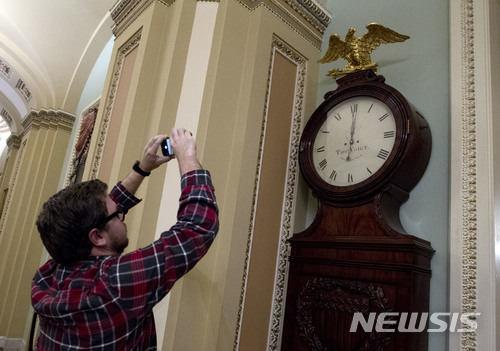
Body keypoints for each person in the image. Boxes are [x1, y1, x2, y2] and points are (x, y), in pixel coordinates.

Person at [31, 128, 219, 350]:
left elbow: (105, 211)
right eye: (117, 214)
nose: (122, 214)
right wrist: (187, 158)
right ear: (97, 236)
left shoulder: (46, 277)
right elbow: (196, 228)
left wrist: (142, 169)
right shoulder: (115, 284)